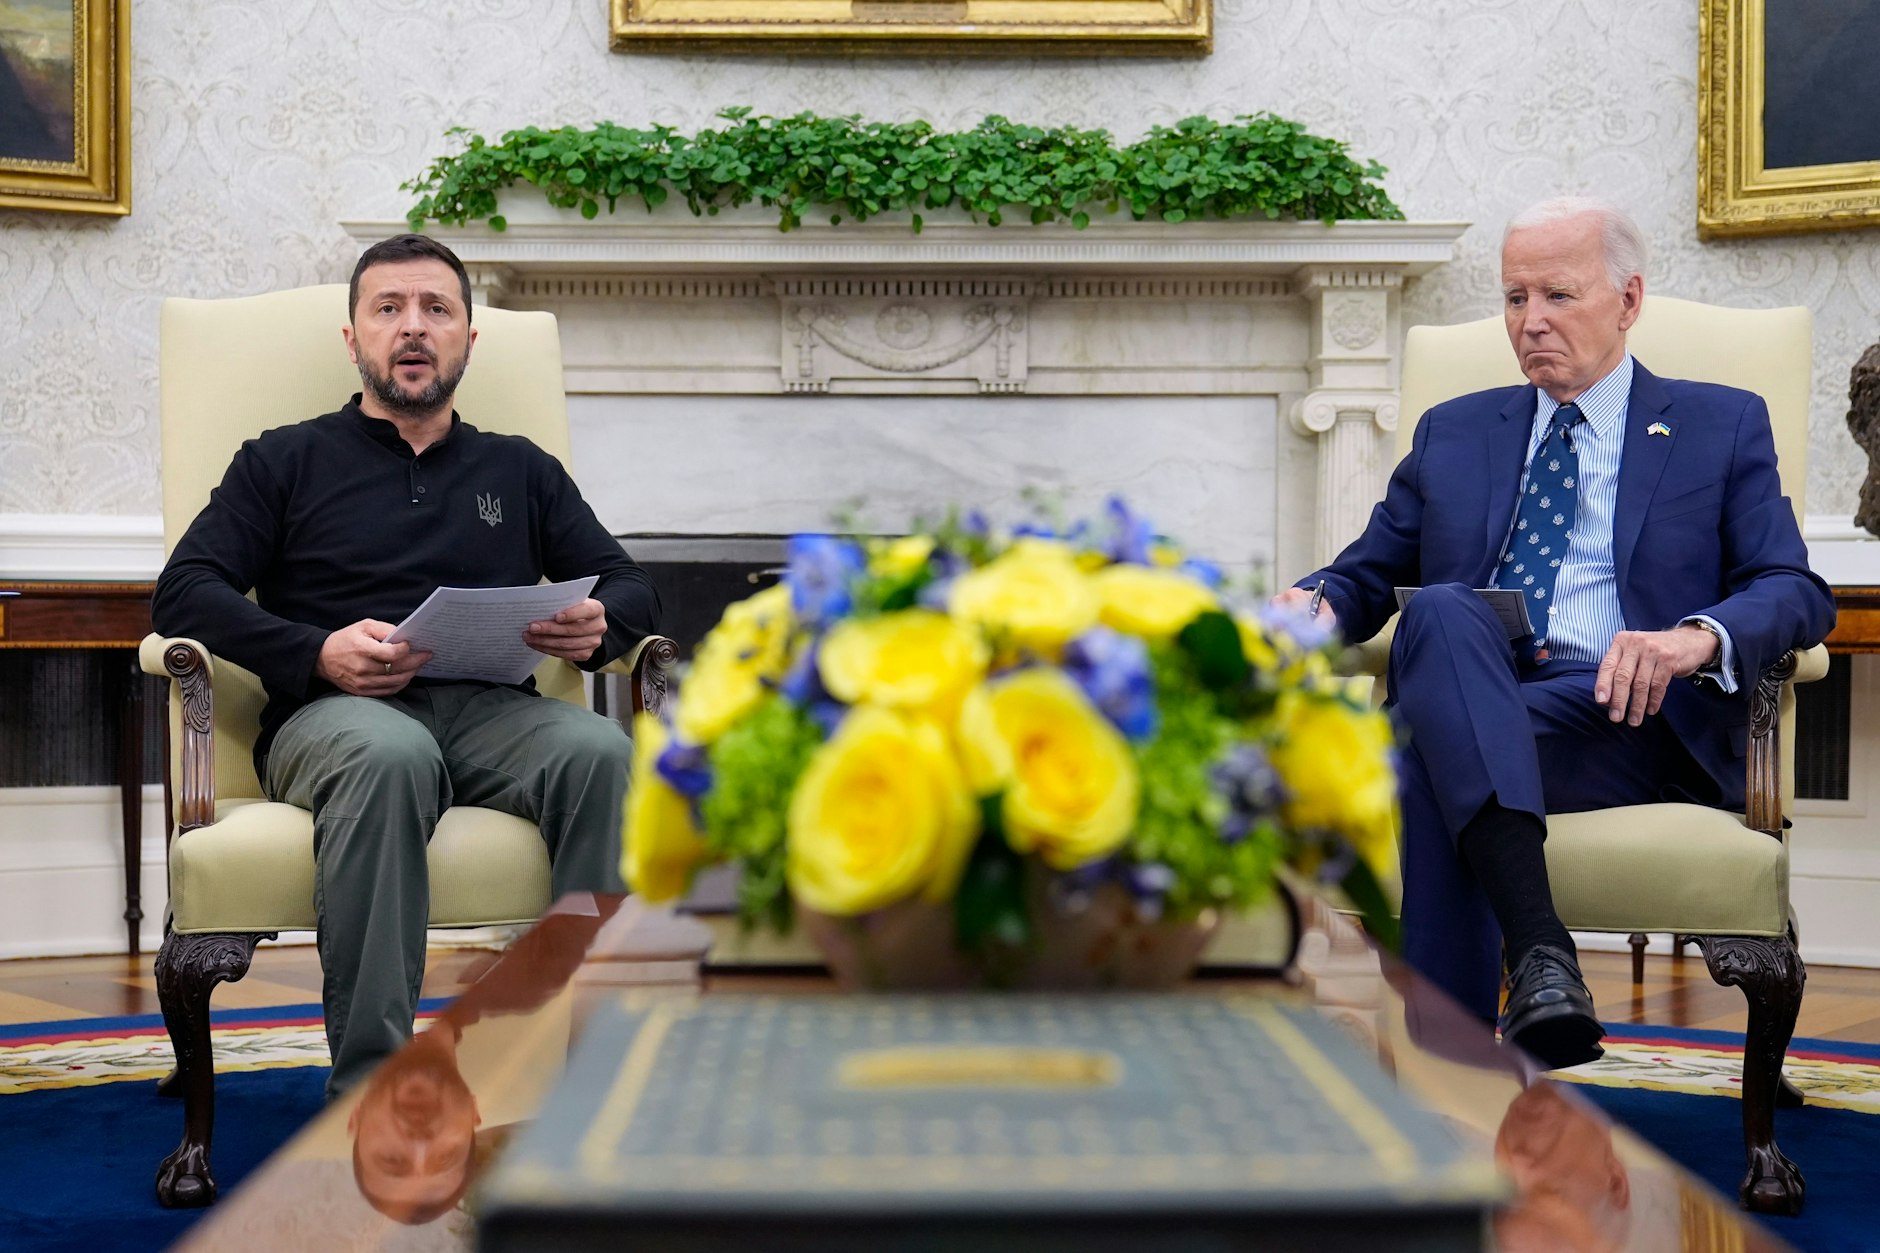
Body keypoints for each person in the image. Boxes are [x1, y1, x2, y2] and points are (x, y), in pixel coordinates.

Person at [1275, 197, 1835, 1070]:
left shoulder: (1719, 423)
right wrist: (1312, 607)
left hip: (1628, 720)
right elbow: (1364, 573)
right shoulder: (1454, 432)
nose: (1530, 322)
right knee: (1446, 610)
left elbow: (1795, 589)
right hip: (1486, 692)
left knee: (1422, 748)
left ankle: (1448, 1073)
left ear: (1629, 299)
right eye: (1513, 298)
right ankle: (1542, 959)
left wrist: (1691, 638)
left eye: (1558, 296)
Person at [152, 234, 661, 1095]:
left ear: (468, 338)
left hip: (495, 711)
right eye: (389, 309)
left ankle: (593, 1078)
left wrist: (600, 622)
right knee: (393, 756)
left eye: (436, 310)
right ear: (354, 338)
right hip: (334, 718)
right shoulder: (282, 458)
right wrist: (316, 650)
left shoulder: (521, 469)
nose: (413, 328)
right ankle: (375, 1090)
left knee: (605, 754)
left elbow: (633, 584)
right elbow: (184, 591)